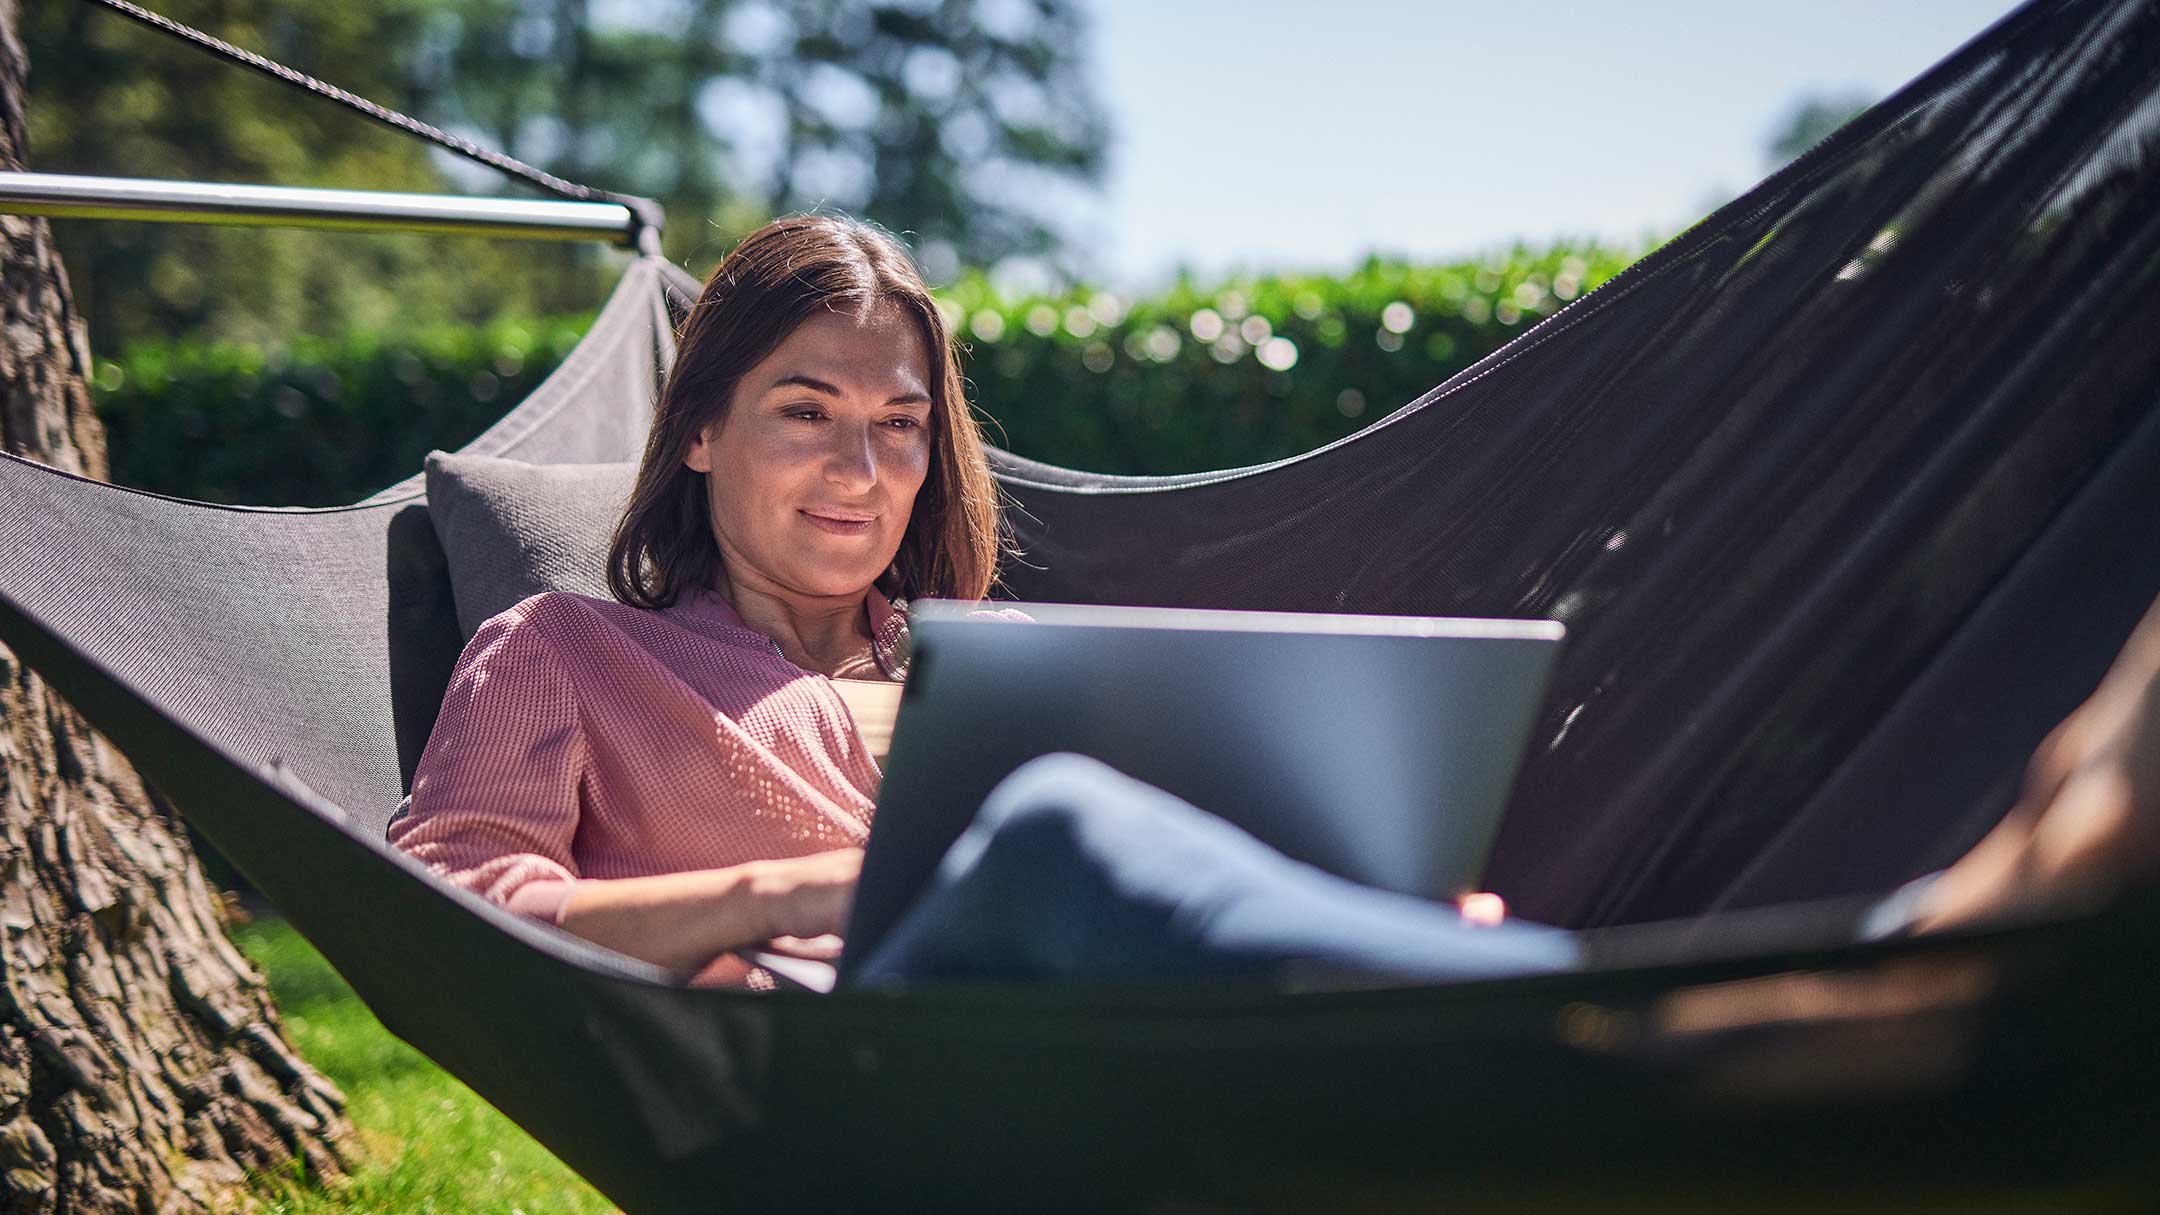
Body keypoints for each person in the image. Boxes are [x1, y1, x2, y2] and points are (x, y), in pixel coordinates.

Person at [390, 213, 2160, 990]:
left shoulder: (982, 663)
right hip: (837, 1063)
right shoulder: (562, 651)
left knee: (1415, 899)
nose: (864, 468)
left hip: (1105, 1017)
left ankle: (1747, 997)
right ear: (694, 433)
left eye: (900, 426)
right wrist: (802, 887)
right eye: (806, 414)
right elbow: (455, 913)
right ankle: (1847, 984)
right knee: (1063, 835)